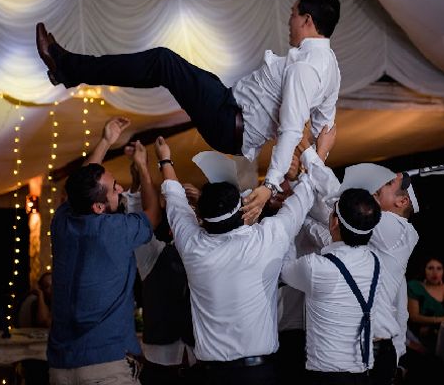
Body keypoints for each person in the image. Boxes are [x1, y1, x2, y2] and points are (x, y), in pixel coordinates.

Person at [36, 0, 341, 222]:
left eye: (292, 13)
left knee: (162, 62)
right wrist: (313, 158)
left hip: (228, 122)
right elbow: (324, 128)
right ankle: (68, 69)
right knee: (169, 64)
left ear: (307, 20)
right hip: (228, 104)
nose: (289, 19)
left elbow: (291, 128)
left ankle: (67, 67)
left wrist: (271, 185)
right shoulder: (330, 67)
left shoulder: (306, 68)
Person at [155, 135, 317, 385]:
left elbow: (175, 200)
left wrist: (165, 159)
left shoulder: (192, 245)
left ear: (202, 216)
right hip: (258, 374)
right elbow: (303, 198)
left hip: (211, 375)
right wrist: (316, 156)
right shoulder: (266, 238)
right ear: (241, 209)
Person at [47, 117, 160, 385]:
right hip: (104, 368)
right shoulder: (113, 230)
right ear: (98, 207)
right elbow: (152, 215)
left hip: (60, 366)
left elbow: (78, 185)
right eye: (113, 189)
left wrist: (106, 140)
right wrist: (143, 168)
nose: (119, 188)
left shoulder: (61, 222)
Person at [297, 151, 419, 384]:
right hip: (356, 349)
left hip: (375, 349)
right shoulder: (371, 236)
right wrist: (296, 212)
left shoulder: (398, 229)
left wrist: (311, 154)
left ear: (401, 202)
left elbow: (340, 202)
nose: (376, 185)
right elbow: (330, 226)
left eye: (387, 184)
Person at [281, 187, 382, 385]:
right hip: (363, 373)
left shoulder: (316, 268)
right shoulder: (375, 260)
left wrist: (291, 216)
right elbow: (332, 240)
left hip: (326, 377)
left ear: (334, 222)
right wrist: (303, 219)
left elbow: (282, 267)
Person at [121, 145, 195, 385]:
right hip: (160, 365)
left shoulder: (207, 254)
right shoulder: (154, 255)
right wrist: (142, 169)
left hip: (200, 362)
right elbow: (135, 216)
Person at [407, 257, 444, 352]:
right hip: (418, 336)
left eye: (439, 268)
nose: (435, 273)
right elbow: (414, 317)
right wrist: (442, 319)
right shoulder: (414, 286)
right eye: (430, 268)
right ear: (424, 270)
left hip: (441, 334)